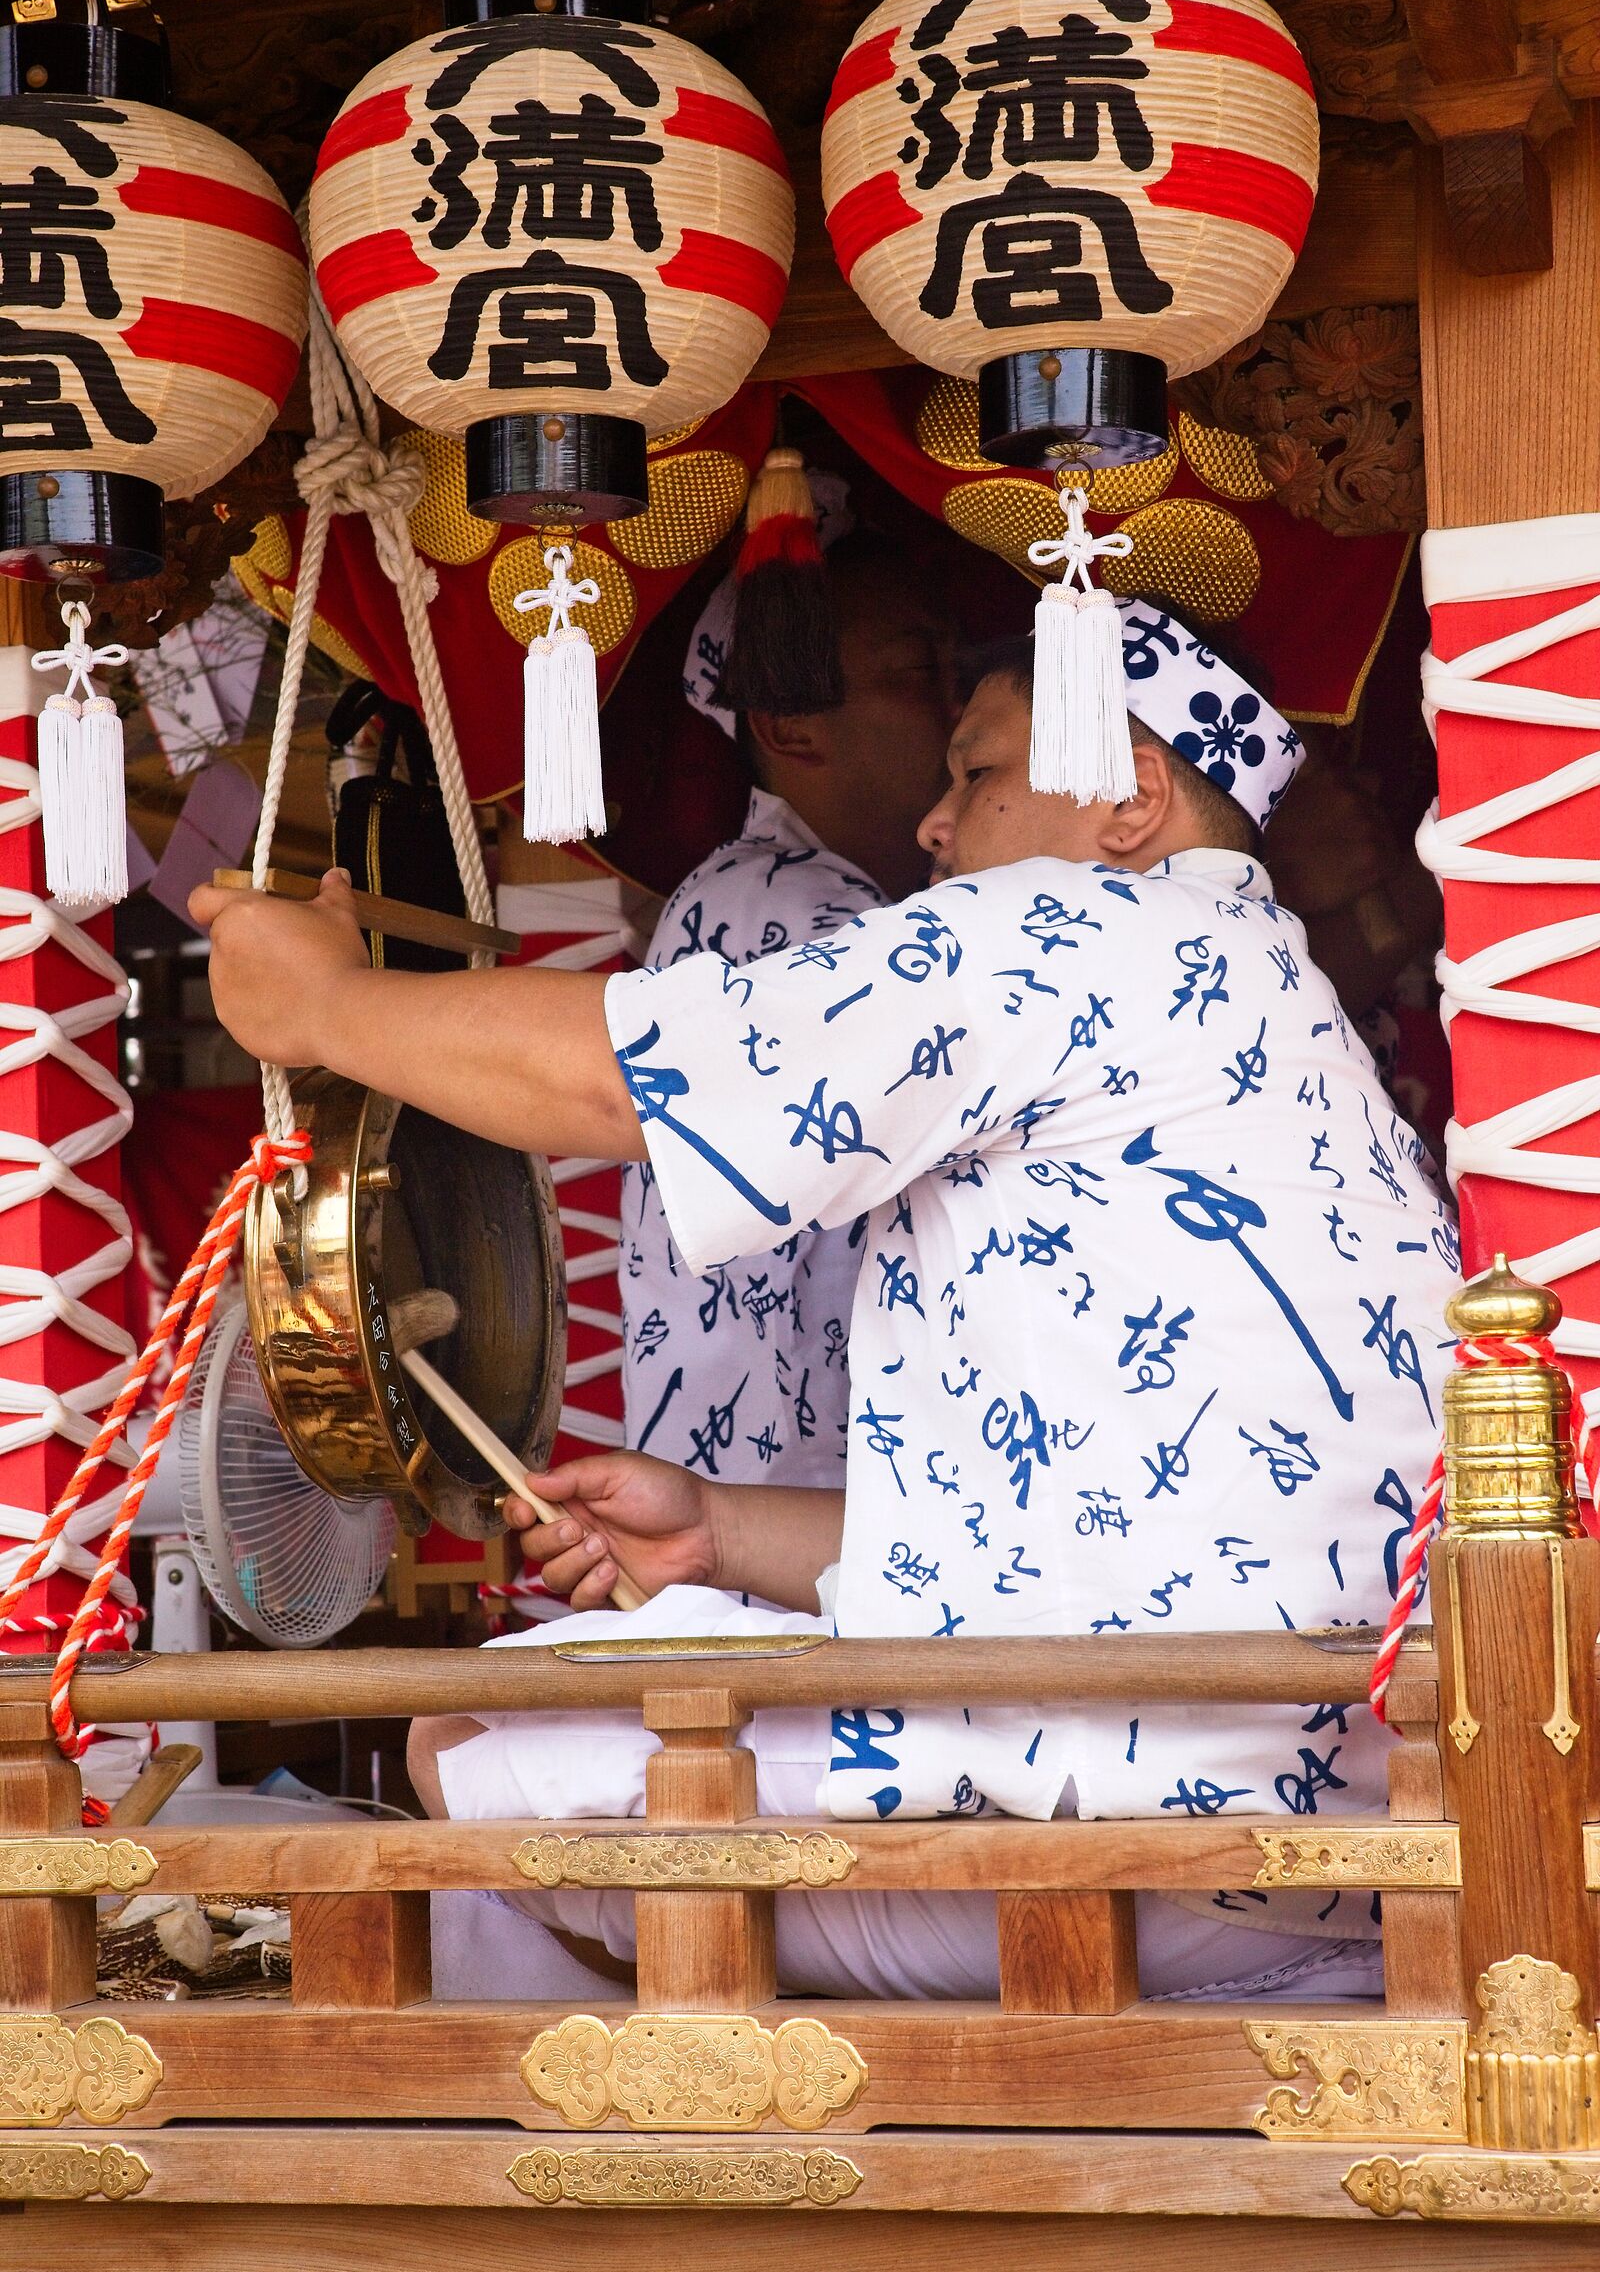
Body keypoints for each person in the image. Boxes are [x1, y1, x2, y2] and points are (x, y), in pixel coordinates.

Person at [194, 598, 1455, 2002]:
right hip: (1340, 1853)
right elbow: (1077, 1529)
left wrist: (324, 1008)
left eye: (978, 773)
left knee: (480, 1733)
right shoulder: (1281, 1012)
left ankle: (632, 2186)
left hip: (1131, 1822)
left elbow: (632, 1084)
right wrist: (723, 1530)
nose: (934, 823)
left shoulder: (1082, 929)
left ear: (1131, 799)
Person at [623, 515, 957, 1488]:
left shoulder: (842, 898)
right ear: (790, 727)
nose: (959, 706)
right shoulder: (780, 905)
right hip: (789, 1512)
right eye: (914, 674)